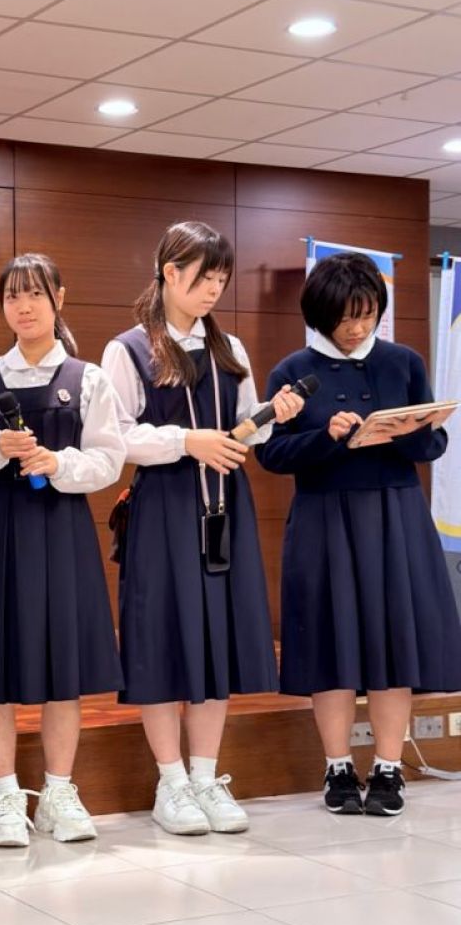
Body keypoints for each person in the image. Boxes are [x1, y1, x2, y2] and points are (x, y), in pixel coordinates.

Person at [102, 221, 304, 836]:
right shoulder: (128, 349)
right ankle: (171, 783)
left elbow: (245, 431)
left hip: (223, 506)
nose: (215, 289)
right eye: (204, 277)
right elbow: (116, 437)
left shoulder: (229, 348)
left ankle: (207, 776)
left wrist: (273, 415)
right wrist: (187, 441)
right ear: (170, 272)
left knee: (217, 640)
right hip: (163, 506)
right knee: (163, 640)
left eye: (221, 278)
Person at [258, 251, 461, 816]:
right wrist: (325, 436)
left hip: (396, 516)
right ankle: (338, 767)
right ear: (321, 315)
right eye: (346, 317)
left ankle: (389, 768)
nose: (358, 327)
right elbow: (272, 455)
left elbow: (431, 447)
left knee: (394, 643)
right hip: (323, 518)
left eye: (368, 314)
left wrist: (408, 429)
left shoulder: (403, 362)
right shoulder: (292, 371)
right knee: (331, 643)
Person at [0, 253, 125, 847]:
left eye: (35, 295)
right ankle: (5, 797)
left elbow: (109, 459)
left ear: (59, 299)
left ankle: (58, 792)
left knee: (62, 670)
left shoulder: (87, 377)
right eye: (12, 296)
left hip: (60, 528)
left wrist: (58, 463)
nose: (23, 307)